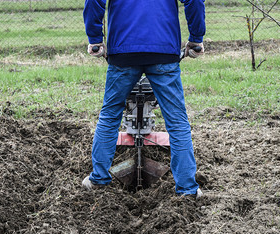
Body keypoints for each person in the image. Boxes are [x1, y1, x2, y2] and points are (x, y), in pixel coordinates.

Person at [82, 0, 205, 198]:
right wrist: (196, 38)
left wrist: (95, 39)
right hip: (163, 51)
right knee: (177, 121)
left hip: (123, 51)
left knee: (110, 115)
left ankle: (98, 180)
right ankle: (187, 189)